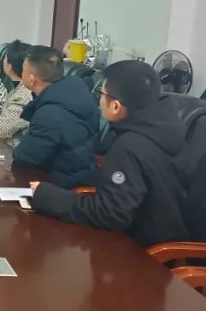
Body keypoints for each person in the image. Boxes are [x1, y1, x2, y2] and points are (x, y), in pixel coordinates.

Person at [28, 60, 189, 247]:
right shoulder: (164, 127)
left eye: (102, 95)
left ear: (116, 106)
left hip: (143, 252)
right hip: (159, 236)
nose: (100, 101)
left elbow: (111, 213)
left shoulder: (129, 146)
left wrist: (46, 195)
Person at [12, 45, 100, 188]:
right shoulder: (74, 90)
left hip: (61, 184)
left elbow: (25, 157)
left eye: (23, 71)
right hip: (83, 172)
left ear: (32, 79)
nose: (21, 75)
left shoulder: (49, 114)